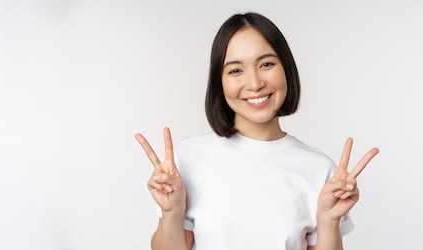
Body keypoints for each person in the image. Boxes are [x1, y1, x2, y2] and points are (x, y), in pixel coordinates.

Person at [135, 12, 379, 250]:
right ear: (219, 82)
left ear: (286, 68)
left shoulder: (320, 170)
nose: (254, 83)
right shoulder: (188, 157)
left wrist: (328, 222)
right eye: (235, 70)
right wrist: (172, 212)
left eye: (266, 64)